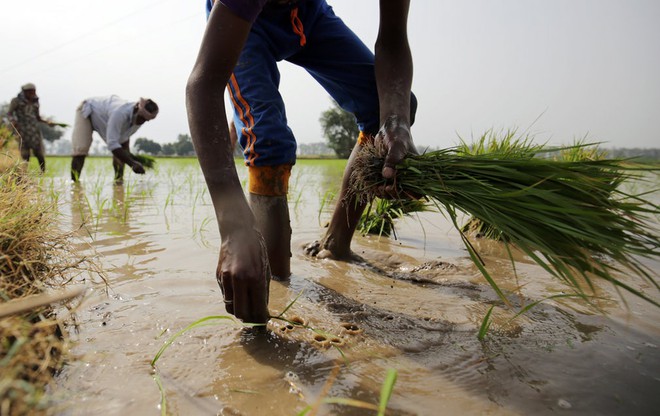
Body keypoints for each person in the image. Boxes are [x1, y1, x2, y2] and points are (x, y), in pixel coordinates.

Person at [186, 0, 417, 324]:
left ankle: (336, 244)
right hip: (246, 22)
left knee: (390, 105)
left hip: (308, 13)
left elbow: (393, 39)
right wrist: (234, 228)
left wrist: (396, 120)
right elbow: (205, 84)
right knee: (267, 141)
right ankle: (270, 291)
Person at [70, 95, 158, 183]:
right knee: (81, 149)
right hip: (87, 112)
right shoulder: (120, 113)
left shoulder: (138, 121)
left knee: (121, 152)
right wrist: (132, 163)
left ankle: (119, 182)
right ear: (136, 109)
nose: (142, 121)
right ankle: (74, 183)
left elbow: (123, 141)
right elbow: (112, 144)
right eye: (142, 118)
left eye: (146, 120)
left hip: (104, 119)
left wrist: (130, 157)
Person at [7, 83, 55, 173]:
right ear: (25, 92)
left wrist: (47, 122)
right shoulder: (16, 101)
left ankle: (43, 172)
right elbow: (9, 113)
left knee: (40, 154)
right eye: (30, 92)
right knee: (25, 154)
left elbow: (38, 117)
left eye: (33, 91)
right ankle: (24, 173)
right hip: (22, 130)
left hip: (34, 131)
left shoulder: (35, 102)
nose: (32, 94)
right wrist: (13, 121)